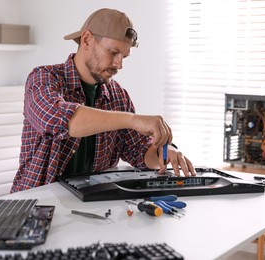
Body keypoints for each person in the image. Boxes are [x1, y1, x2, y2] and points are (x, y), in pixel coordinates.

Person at [11, 8, 195, 193]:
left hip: (88, 205)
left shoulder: (118, 96)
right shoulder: (43, 78)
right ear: (87, 40)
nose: (119, 64)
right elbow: (56, 119)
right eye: (113, 52)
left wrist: (165, 152)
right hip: (34, 204)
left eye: (124, 56)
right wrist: (132, 120)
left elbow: (139, 151)